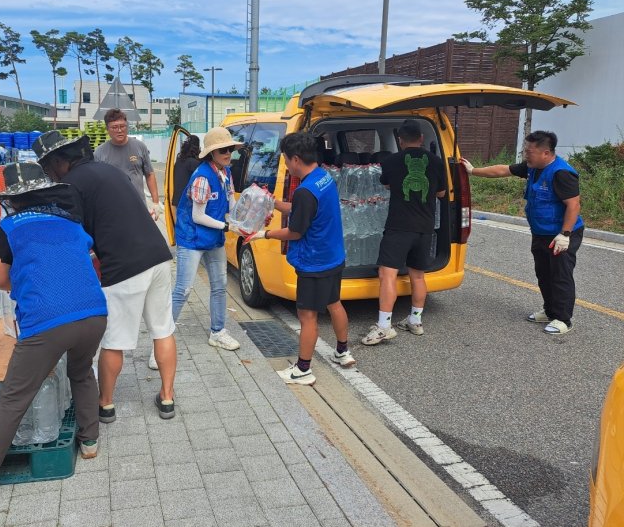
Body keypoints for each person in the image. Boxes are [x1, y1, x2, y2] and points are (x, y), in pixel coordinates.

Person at [0, 162, 107, 504]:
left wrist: (31, 287)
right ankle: (90, 440)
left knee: (14, 397)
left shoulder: (10, 227)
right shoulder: (69, 221)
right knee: (82, 370)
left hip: (47, 320)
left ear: (11, 199)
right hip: (94, 314)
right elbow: (81, 261)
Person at [33, 131, 178, 423]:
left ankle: (106, 403)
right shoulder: (108, 171)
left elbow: (74, 237)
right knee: (163, 329)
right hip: (159, 257)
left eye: (49, 168)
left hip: (124, 267)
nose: (50, 175)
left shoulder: (71, 185)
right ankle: (167, 397)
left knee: (115, 340)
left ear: (60, 161)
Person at [247, 132, 355, 385]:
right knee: (334, 303)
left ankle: (303, 370)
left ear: (296, 159)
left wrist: (264, 234)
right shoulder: (323, 178)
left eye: (286, 160)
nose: (285, 164)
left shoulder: (305, 191)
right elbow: (302, 209)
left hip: (314, 261)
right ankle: (342, 351)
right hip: (333, 255)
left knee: (308, 317)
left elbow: (295, 231)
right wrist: (273, 203)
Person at [462, 130, 583, 334]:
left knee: (560, 274)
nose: (526, 154)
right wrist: (473, 171)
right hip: (541, 232)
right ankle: (550, 310)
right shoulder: (532, 167)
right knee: (543, 273)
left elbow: (574, 205)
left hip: (560, 234)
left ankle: (563, 319)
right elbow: (502, 170)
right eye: (526, 150)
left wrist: (565, 235)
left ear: (545, 153)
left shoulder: (561, 173)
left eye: (530, 151)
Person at [362, 120, 446, 346]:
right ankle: (415, 320)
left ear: (400, 141)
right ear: (420, 138)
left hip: (399, 226)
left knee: (387, 274)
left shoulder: (391, 160)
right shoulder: (437, 161)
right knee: (418, 275)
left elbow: (387, 185)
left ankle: (383, 326)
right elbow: (441, 193)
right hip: (426, 226)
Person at [172, 127, 243, 351]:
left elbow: (230, 203)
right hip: (192, 239)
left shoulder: (226, 173)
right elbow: (198, 216)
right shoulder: (202, 177)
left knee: (220, 286)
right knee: (183, 290)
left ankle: (218, 331)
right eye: (222, 149)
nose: (227, 153)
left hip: (213, 239)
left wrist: (243, 220)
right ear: (211, 152)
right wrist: (227, 225)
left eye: (229, 149)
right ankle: (161, 340)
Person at [94, 108, 162, 220]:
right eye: (114, 127)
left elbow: (149, 174)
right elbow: (96, 184)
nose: (119, 130)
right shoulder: (100, 153)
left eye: (122, 126)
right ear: (107, 129)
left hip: (139, 208)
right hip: (112, 210)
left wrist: (155, 202)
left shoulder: (140, 147)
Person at [171, 134, 201, 216]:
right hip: (187, 202)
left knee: (180, 226)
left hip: (177, 200)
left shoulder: (179, 161)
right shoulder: (194, 163)